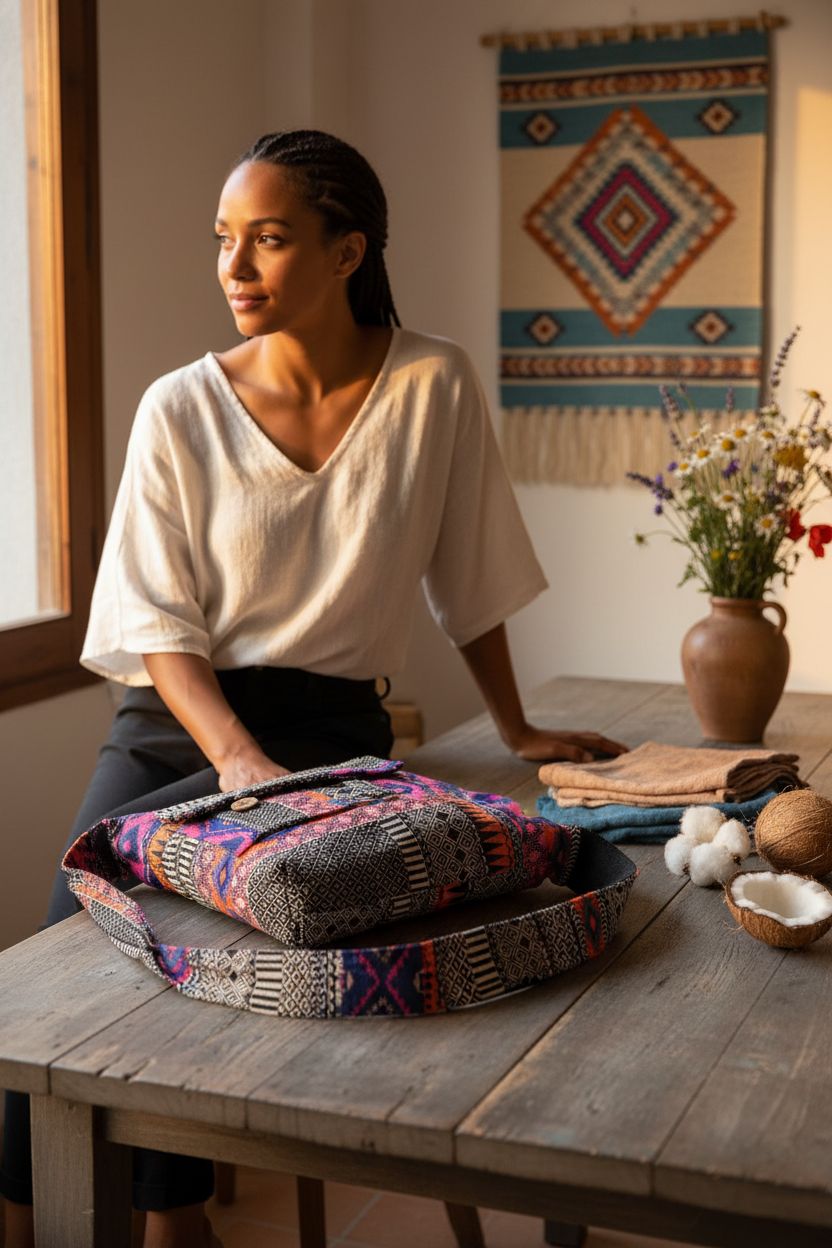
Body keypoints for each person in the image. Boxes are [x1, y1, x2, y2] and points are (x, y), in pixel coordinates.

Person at [0, 129, 626, 1248]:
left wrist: (518, 724)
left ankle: (173, 1218)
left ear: (347, 251)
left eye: (269, 239)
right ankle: (88, 1213)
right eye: (223, 240)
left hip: (336, 740)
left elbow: (470, 574)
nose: (234, 267)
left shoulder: (432, 383)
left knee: (237, 956)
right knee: (73, 957)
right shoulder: (178, 407)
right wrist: (236, 758)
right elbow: (156, 623)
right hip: (178, 728)